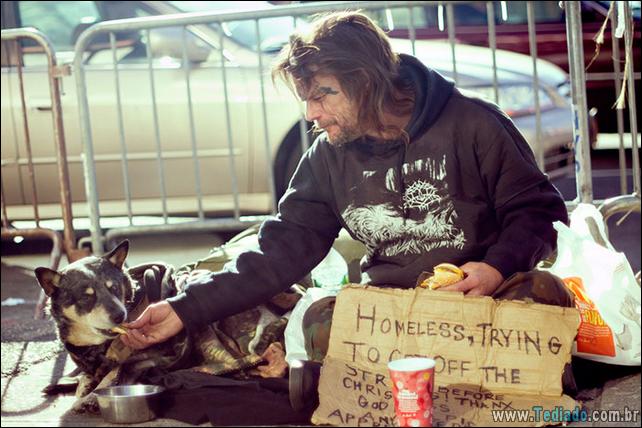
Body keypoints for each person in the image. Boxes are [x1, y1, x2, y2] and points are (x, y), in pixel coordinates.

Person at [121, 11, 574, 402]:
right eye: (307, 99)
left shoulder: (473, 124)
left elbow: (539, 212)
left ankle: (424, 381)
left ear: (366, 82)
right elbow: (279, 252)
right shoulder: (326, 156)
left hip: (482, 301)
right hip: (392, 312)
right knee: (321, 318)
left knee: (543, 295)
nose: (311, 114)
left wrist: (494, 268)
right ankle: (445, 381)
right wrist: (183, 309)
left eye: (323, 95)